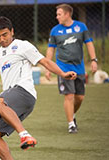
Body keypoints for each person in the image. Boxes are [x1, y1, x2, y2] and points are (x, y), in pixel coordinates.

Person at [0, 16, 76, 160]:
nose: (2, 39)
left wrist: (62, 73)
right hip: (11, 100)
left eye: (5, 34)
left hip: (24, 91)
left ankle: (24, 135)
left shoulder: (23, 46)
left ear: (12, 31)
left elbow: (44, 61)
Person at [45, 4, 98, 133]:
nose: (57, 17)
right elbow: (51, 49)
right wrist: (48, 68)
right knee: (69, 96)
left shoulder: (81, 27)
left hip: (79, 68)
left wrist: (93, 60)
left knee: (79, 97)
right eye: (57, 14)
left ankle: (71, 115)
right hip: (63, 68)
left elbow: (89, 43)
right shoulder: (55, 31)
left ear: (68, 14)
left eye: (59, 14)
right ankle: (71, 124)